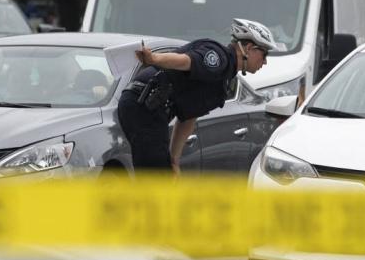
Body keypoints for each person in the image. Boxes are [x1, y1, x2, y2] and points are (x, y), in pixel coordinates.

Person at [117, 18, 280, 175]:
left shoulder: (223, 79)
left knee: (160, 174)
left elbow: (188, 117)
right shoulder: (218, 57)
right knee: (156, 180)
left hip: (146, 108)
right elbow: (186, 61)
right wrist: (154, 58)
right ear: (249, 48)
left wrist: (174, 159)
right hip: (142, 106)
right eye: (264, 54)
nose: (264, 62)